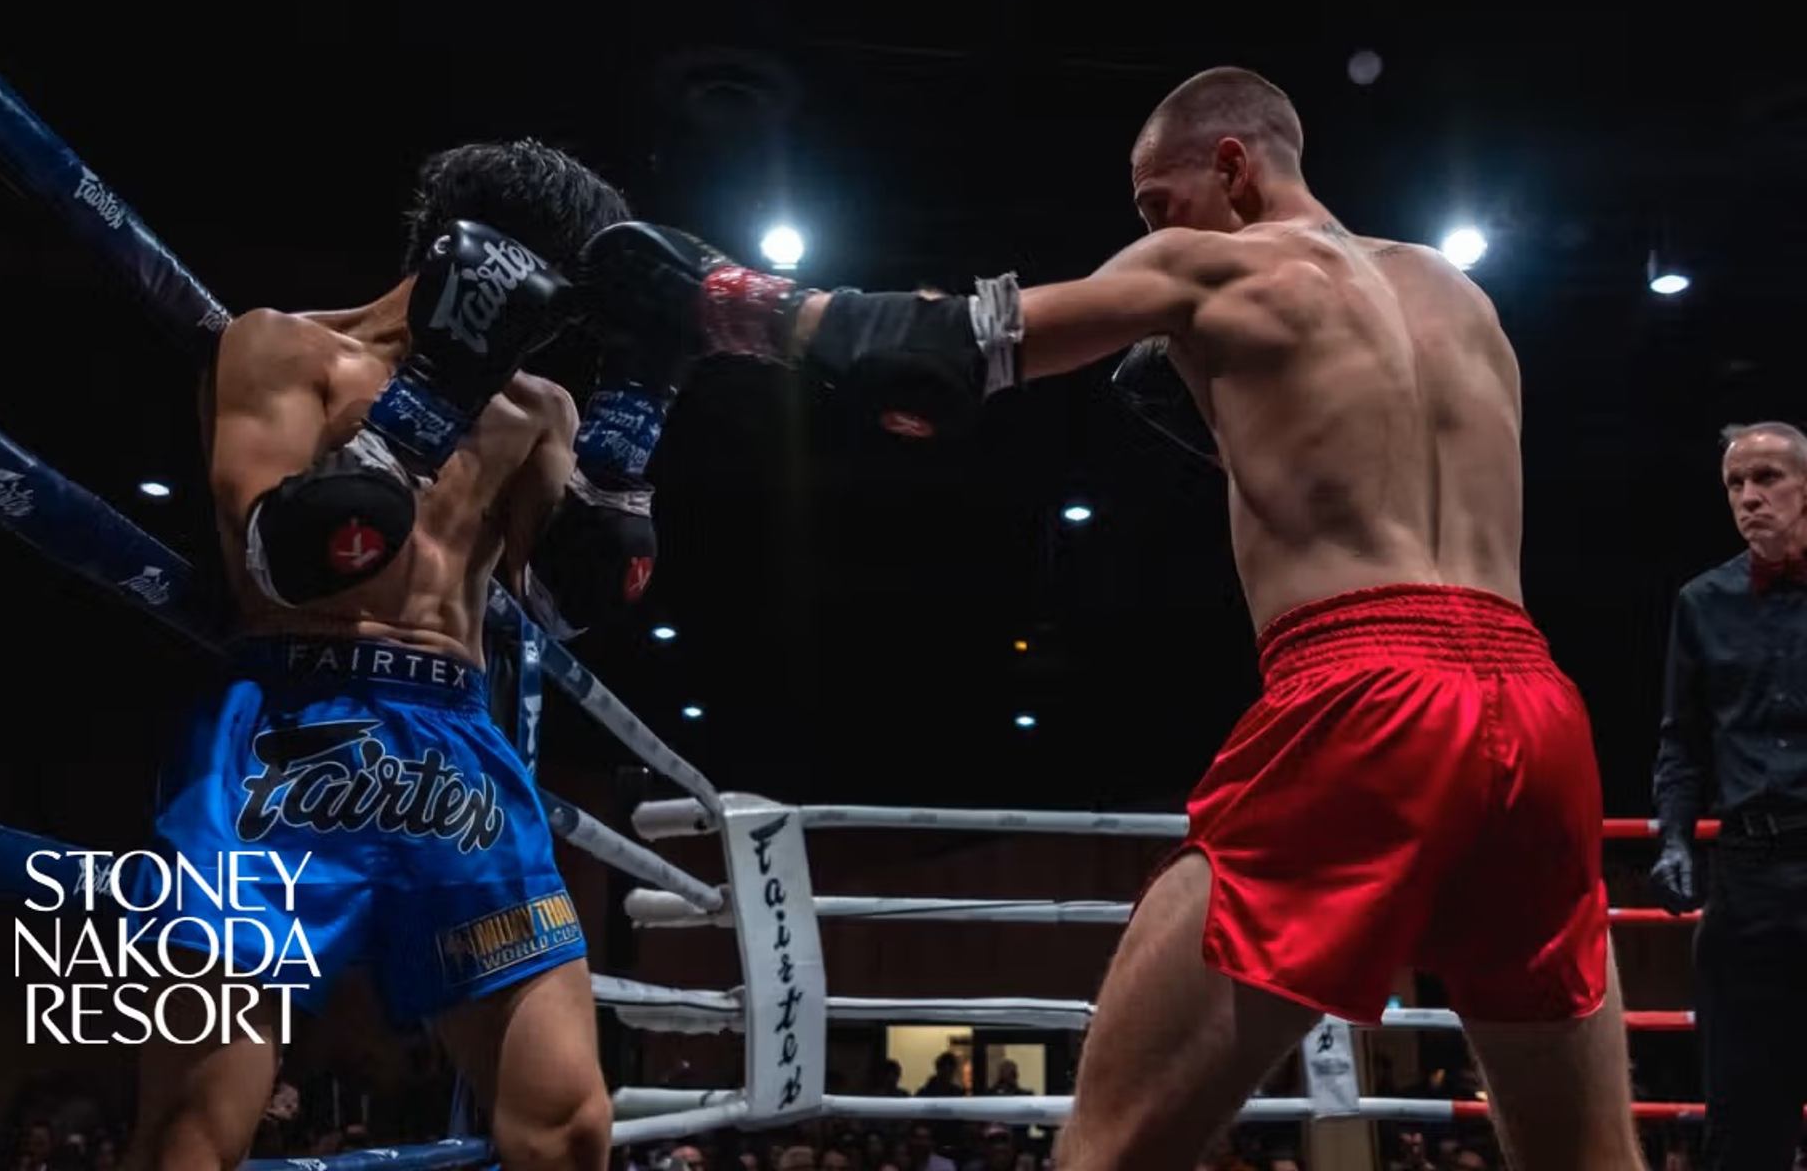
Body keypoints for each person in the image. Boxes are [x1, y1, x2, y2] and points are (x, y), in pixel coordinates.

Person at [582, 67, 1641, 1170]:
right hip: (1538, 708)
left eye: (1154, 202)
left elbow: (926, 359)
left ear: (1233, 165)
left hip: (1365, 695)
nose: (1148, 229)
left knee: (1109, 1149)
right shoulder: (1459, 297)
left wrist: (729, 303)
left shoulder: (1212, 261)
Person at [126, 139, 666, 1171]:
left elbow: (563, 601)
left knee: (569, 1124)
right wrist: (429, 387)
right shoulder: (281, 347)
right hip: (283, 732)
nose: (555, 326)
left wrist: (638, 412)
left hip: (453, 746)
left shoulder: (535, 408)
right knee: (196, 1126)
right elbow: (274, 563)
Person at [1652, 421, 1807, 1168]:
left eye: (1768, 478)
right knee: (1744, 1116)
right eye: (1736, 485)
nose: (1750, 497)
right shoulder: (1701, 602)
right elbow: (1680, 738)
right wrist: (1675, 835)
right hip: (1748, 876)